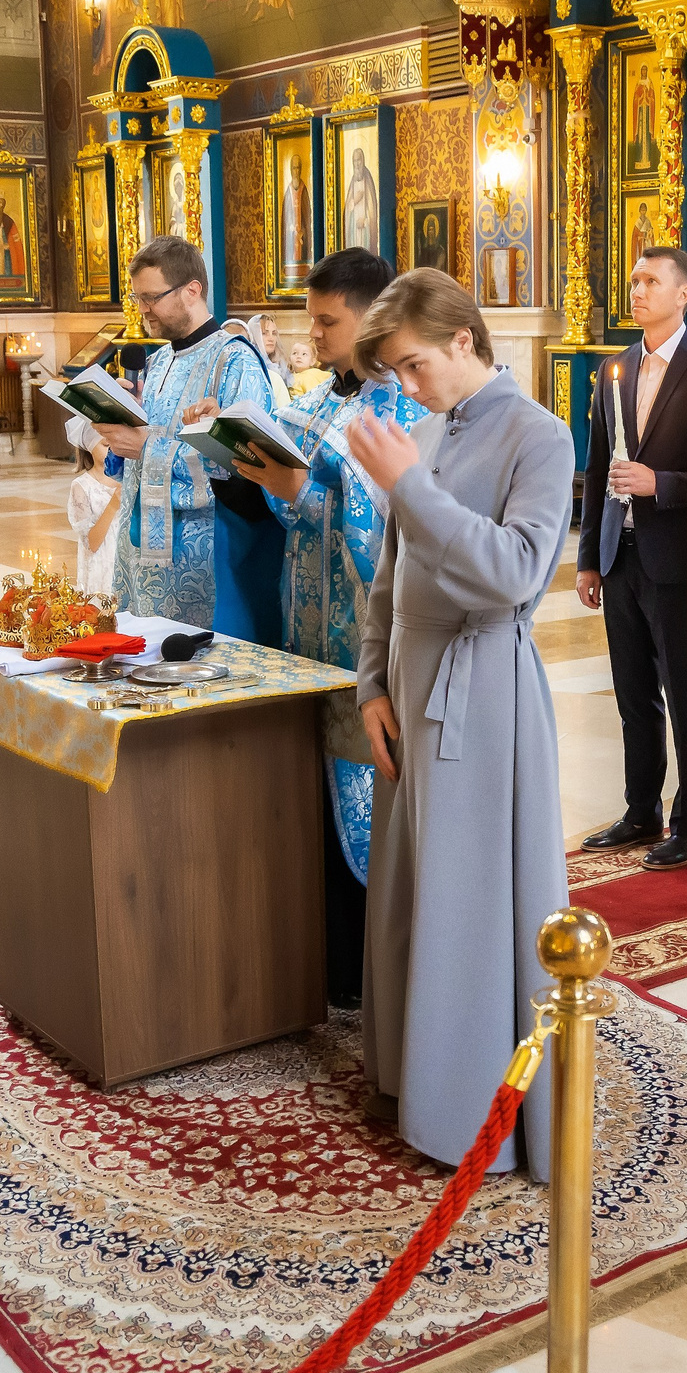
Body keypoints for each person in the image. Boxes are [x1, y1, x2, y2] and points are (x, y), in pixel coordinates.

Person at [348, 270, 573, 1177]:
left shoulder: (540, 435)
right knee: (411, 891)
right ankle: (413, 1082)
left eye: (413, 364)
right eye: (393, 371)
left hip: (481, 691)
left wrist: (410, 486)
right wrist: (370, 684)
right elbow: (388, 574)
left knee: (471, 904)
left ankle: (474, 1113)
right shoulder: (430, 429)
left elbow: (516, 572)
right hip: (409, 677)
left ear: (464, 341)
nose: (406, 385)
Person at [222, 248, 426, 1007]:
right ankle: (323, 964)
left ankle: (368, 974)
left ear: (373, 317)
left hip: (360, 644)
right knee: (311, 799)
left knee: (360, 801)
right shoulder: (312, 402)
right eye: (310, 319)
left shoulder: (397, 408)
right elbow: (292, 498)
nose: (312, 334)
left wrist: (303, 492)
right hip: (300, 631)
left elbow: (388, 542)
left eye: (326, 321)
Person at [577, 246, 687, 870]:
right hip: (621, 554)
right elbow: (596, 469)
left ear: (684, 294)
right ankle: (640, 809)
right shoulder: (613, 370)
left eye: (651, 281)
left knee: (686, 694)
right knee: (633, 694)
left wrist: (661, 484)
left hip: (679, 557)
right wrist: (590, 556)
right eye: (634, 280)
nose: (637, 290)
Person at [70, 234, 283, 642]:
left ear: (192, 290)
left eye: (151, 298)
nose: (143, 310)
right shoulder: (160, 359)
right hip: (139, 551)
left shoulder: (235, 361)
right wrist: (117, 427)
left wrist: (146, 446)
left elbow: (245, 463)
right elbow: (135, 454)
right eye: (137, 299)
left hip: (201, 557)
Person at [68, 436, 123, 592]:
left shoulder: (127, 479)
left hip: (126, 559)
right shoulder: (81, 486)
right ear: (89, 447)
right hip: (101, 564)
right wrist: (113, 504)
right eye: (106, 444)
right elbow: (91, 543)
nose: (113, 449)